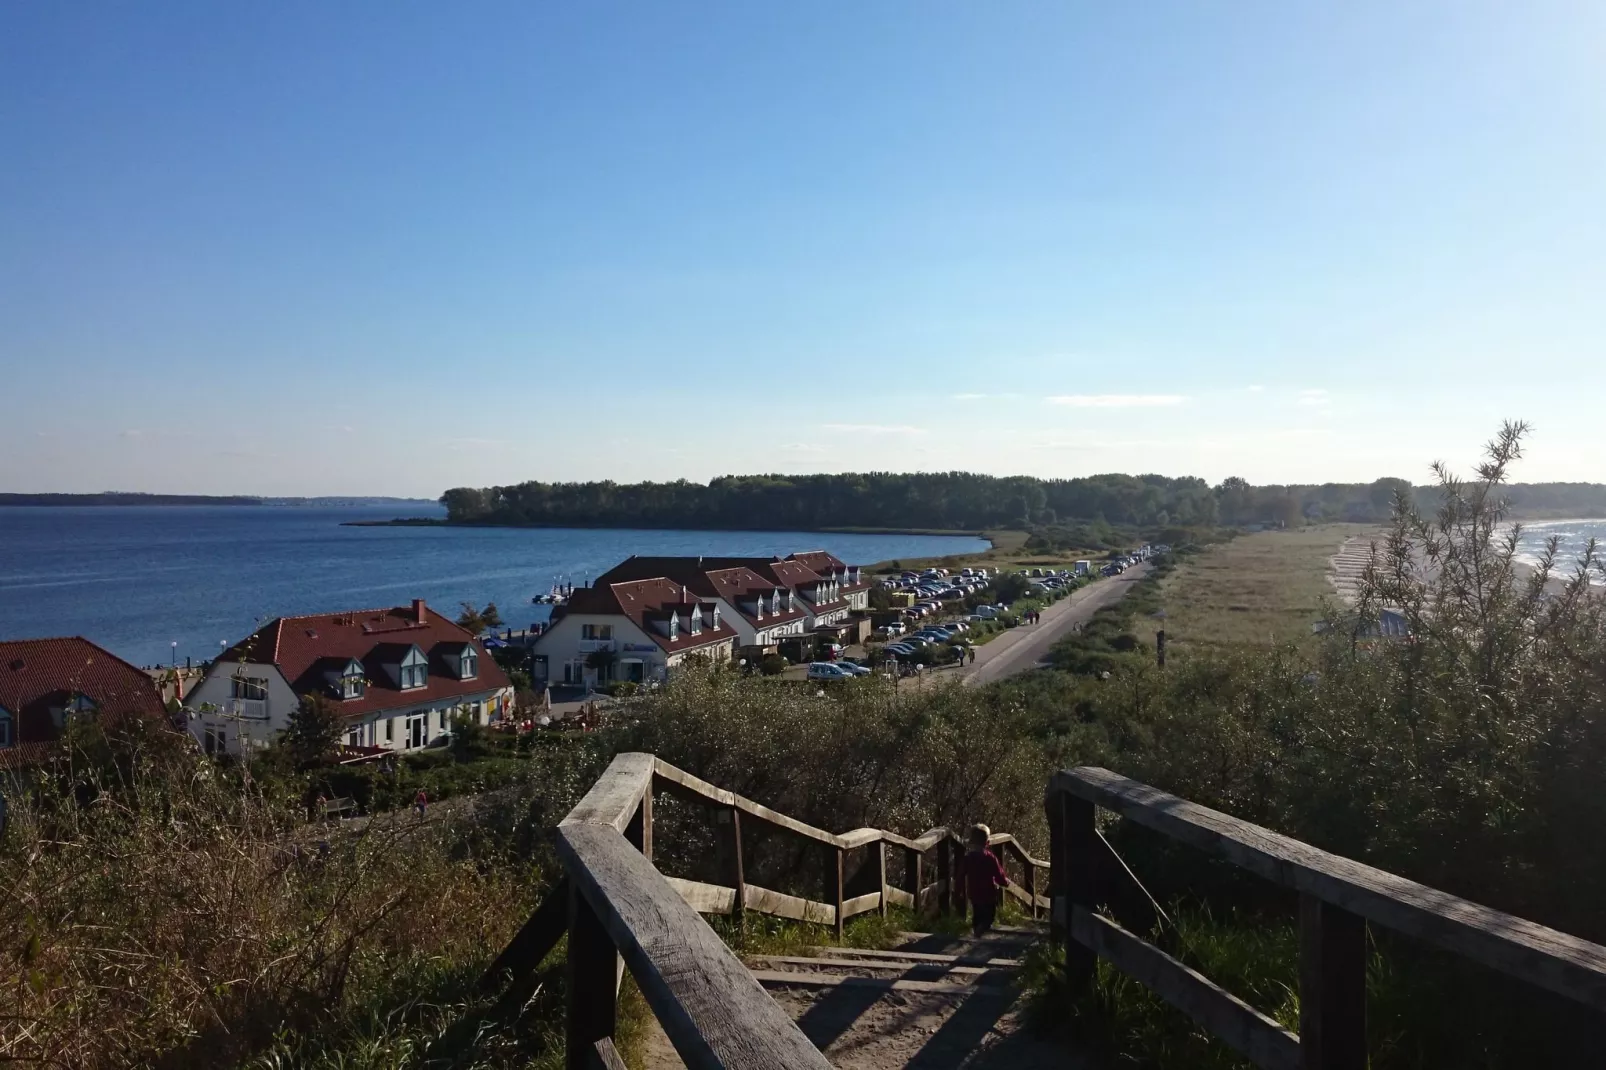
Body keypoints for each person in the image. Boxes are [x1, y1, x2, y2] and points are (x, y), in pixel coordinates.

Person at [957, 823, 1008, 936]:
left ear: (971, 842)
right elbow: (998, 874)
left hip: (974, 893)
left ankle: (976, 932)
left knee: (977, 915)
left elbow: (960, 875)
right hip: (989, 894)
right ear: (987, 843)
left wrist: (959, 890)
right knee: (988, 918)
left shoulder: (968, 858)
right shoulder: (990, 858)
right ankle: (980, 931)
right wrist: (1004, 882)